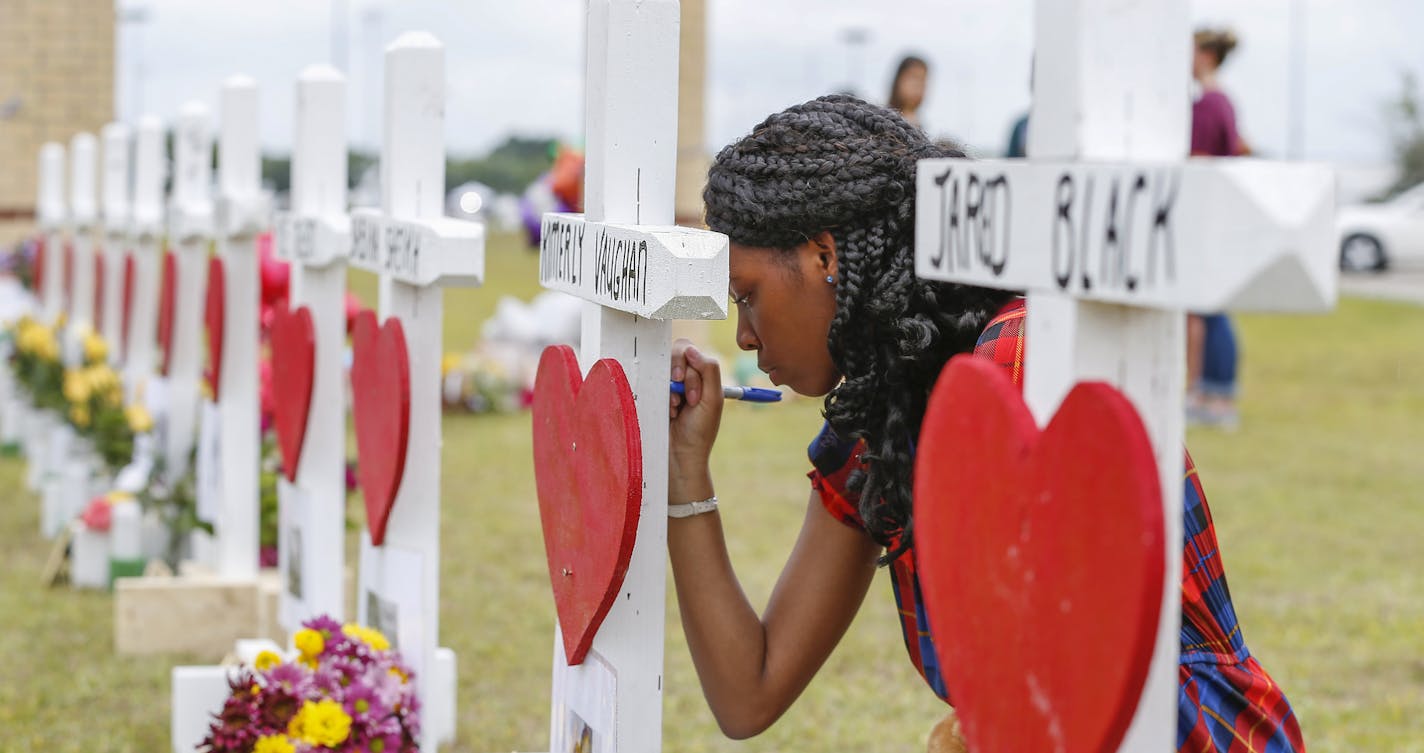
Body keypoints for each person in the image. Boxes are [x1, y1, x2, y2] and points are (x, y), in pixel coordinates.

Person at [667, 94, 1304, 752]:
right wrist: (686, 471)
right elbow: (749, 691)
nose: (741, 335)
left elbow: (1071, 671)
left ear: (824, 255)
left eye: (747, 295)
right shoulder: (880, 421)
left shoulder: (1021, 364)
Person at [1189, 28, 1249, 428]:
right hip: (1217, 214)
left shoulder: (1208, 104)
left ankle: (1203, 394)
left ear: (1206, 56)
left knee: (1200, 310)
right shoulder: (1223, 101)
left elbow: (1198, 158)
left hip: (1200, 213)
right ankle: (1215, 394)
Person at [887, 55, 929, 129]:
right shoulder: (880, 118)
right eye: (913, 78)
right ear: (898, 80)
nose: (918, 86)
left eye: (922, 80)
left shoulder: (920, 126)